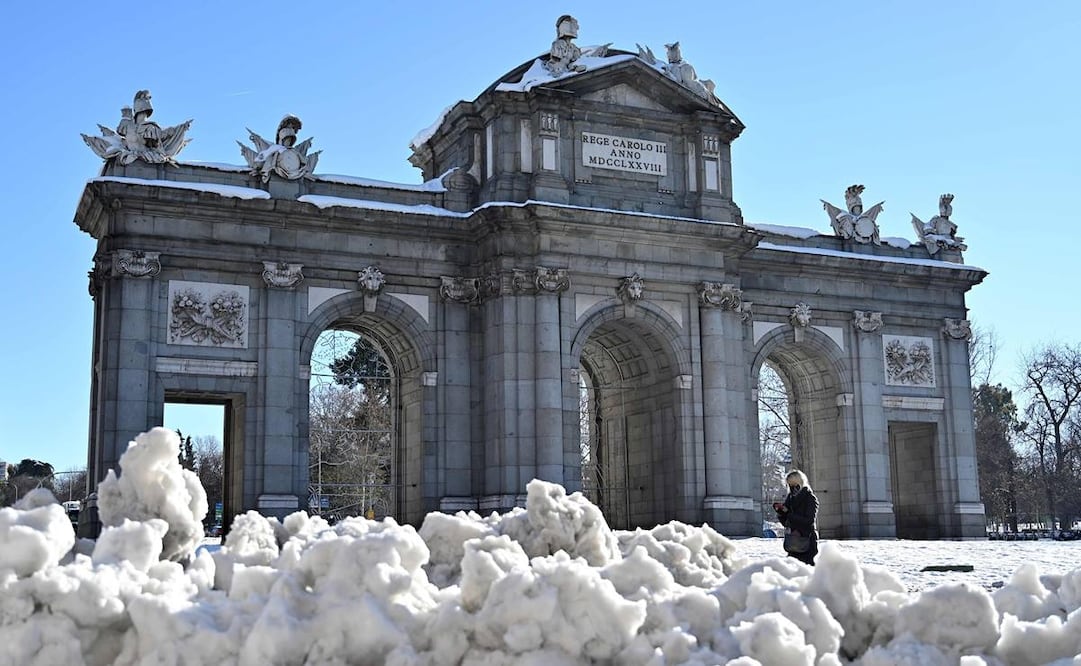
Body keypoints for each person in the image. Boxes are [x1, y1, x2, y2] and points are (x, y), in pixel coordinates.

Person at [774, 469, 819, 565]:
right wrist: (781, 513)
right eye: (789, 485)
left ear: (800, 483)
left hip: (806, 541)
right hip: (793, 542)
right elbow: (786, 522)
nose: (791, 488)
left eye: (793, 484)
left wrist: (789, 514)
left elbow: (809, 521)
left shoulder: (810, 498)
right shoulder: (790, 498)